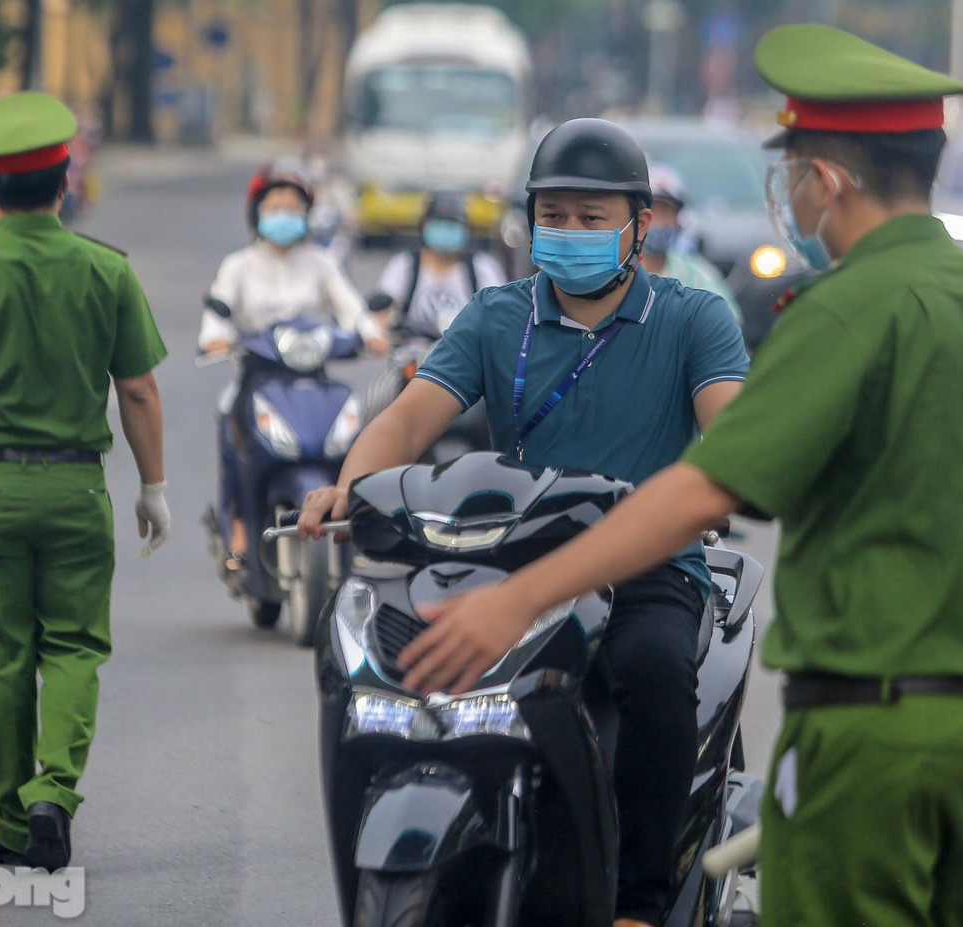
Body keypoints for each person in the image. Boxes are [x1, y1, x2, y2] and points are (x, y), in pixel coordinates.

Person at [402, 25, 963, 927]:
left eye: (789, 172)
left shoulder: (845, 313)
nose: (787, 193)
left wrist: (519, 597)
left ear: (823, 178)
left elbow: (707, 488)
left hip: (865, 737)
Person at [300, 118, 749, 927]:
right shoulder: (495, 317)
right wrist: (348, 485)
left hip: (648, 566)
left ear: (641, 225)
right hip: (510, 561)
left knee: (652, 669)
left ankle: (639, 902)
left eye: (592, 217)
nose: (570, 232)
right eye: (554, 215)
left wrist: (751, 458)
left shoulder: (693, 319)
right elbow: (406, 422)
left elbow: (736, 425)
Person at [0, 91, 171, 873]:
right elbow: (139, 390)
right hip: (78, 491)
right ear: (64, 183)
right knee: (75, 646)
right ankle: (55, 791)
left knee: (3, 658)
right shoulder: (106, 270)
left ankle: (13, 824)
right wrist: (153, 486)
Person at [199, 161, 388, 566]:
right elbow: (219, 311)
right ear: (258, 212)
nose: (284, 214)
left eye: (293, 207)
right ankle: (236, 521)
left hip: (312, 377)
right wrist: (215, 336)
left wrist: (371, 331)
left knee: (352, 426)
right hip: (257, 376)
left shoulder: (321, 263)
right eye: (275, 206)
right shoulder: (238, 265)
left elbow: (350, 306)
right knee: (227, 416)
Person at [373, 191, 508, 337]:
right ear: (424, 225)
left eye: (453, 224)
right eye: (440, 223)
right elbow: (383, 309)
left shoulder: (481, 267)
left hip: (466, 349)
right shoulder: (405, 264)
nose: (446, 230)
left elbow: (500, 312)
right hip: (413, 347)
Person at [641, 163, 743, 323]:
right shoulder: (618, 272)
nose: (659, 223)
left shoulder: (697, 275)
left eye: (666, 213)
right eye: (652, 213)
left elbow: (729, 322)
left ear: (678, 220)